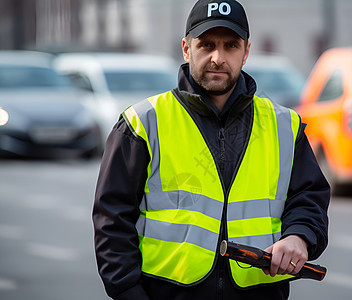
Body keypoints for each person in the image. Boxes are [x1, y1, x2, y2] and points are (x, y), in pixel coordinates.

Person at [92, 0, 330, 299]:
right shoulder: (142, 123)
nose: (218, 57)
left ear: (246, 52)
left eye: (230, 45)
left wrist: (299, 237)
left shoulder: (284, 125)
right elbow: (112, 220)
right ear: (186, 48)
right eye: (206, 45)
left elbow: (309, 198)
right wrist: (128, 292)